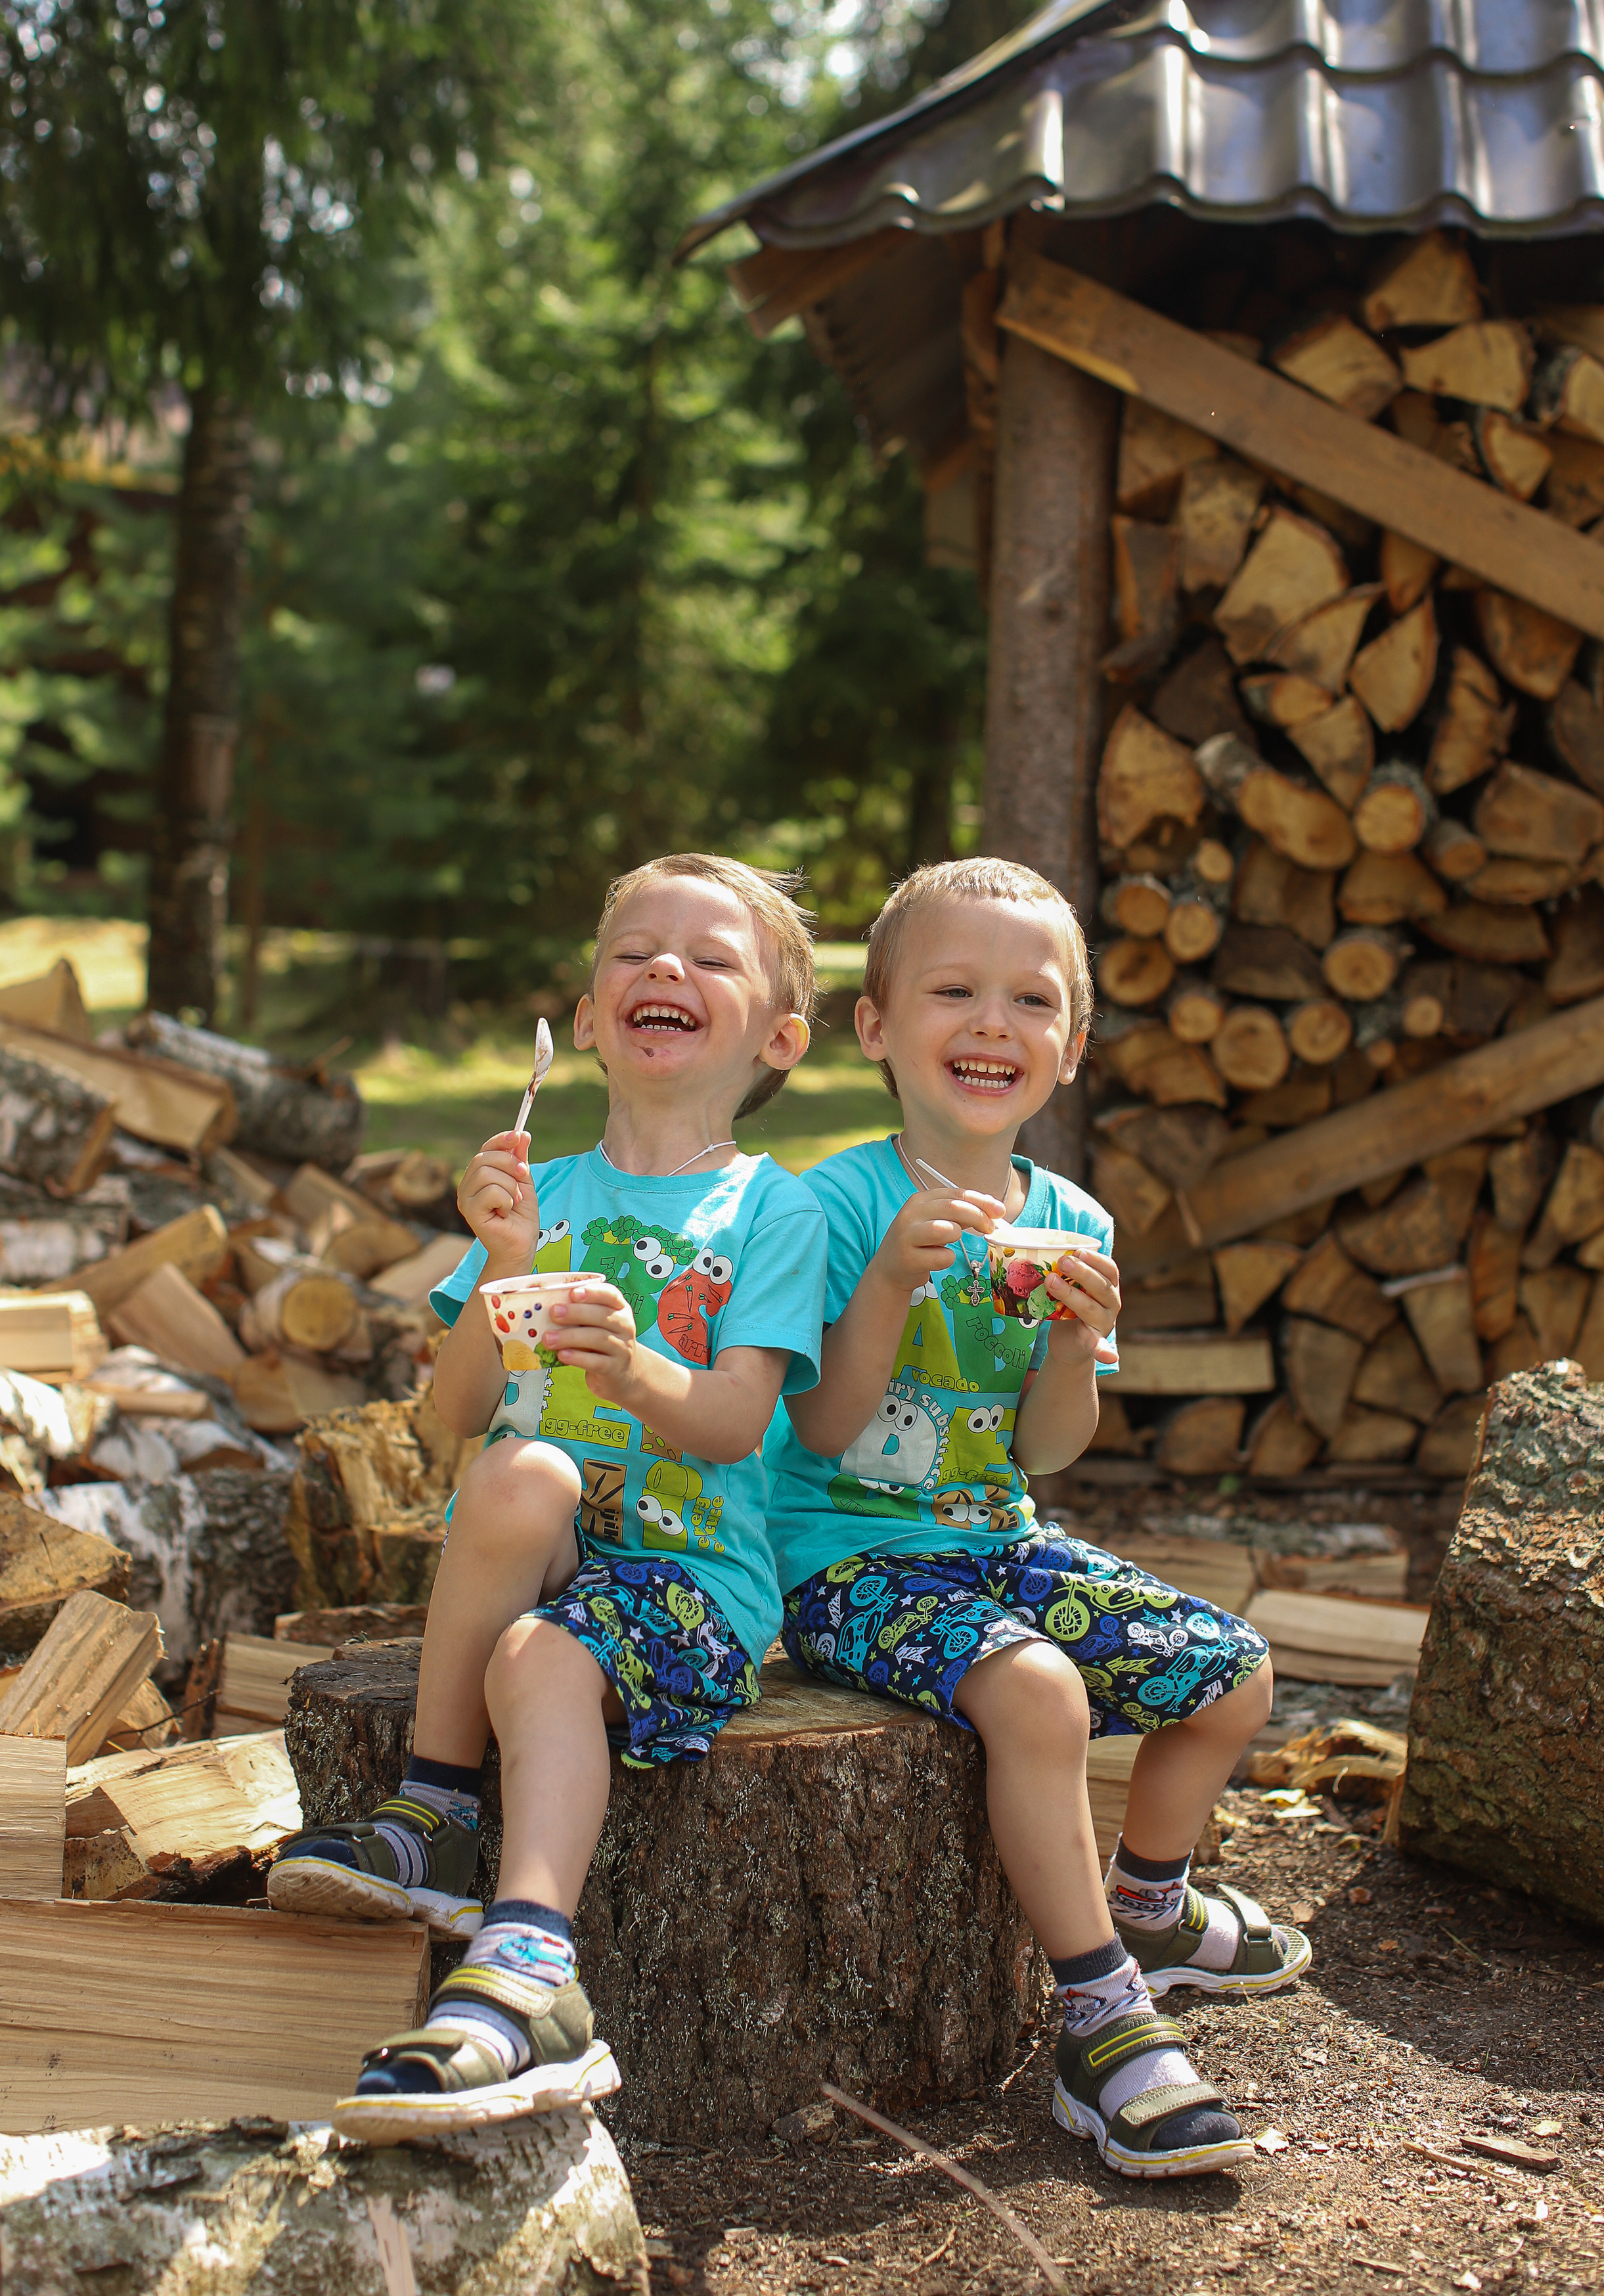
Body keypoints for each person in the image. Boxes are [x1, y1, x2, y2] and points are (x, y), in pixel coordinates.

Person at [269, 853, 828, 2141]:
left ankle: (527, 1972)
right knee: (520, 1467)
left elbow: (739, 1423)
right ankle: (430, 1808)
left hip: (693, 1587)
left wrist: (635, 1368)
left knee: (535, 1657)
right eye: (633, 952)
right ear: (584, 1022)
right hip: (551, 1544)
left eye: (708, 957)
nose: (664, 970)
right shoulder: (544, 1198)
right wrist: (504, 1265)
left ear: (779, 1038)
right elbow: (450, 1417)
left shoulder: (771, 1210)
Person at [765, 857, 1301, 2181]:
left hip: (995, 1540)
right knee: (1044, 1698)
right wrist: (889, 1278)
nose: (992, 1021)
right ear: (877, 1027)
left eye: (1029, 1000)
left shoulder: (1069, 1220)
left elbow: (1049, 1451)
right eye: (954, 990)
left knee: (1233, 1673)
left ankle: (1150, 1909)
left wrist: (1073, 1348)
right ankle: (1098, 2017)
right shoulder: (830, 1205)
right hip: (846, 1561)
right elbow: (819, 1430)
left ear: (1068, 1047)